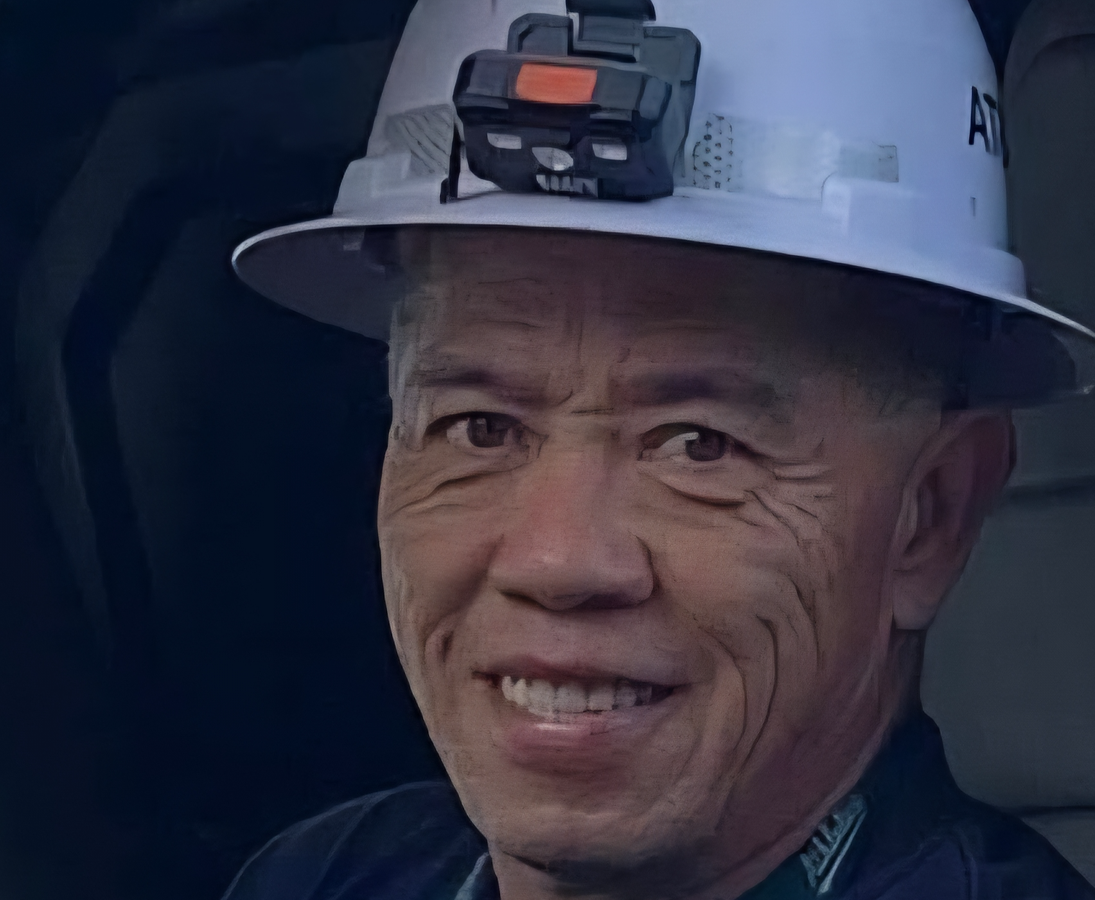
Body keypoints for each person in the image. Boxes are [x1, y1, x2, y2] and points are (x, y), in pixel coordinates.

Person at [222, 1, 1095, 897]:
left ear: (932, 517)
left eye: (698, 446)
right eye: (481, 427)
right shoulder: (330, 877)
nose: (557, 560)